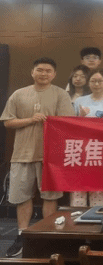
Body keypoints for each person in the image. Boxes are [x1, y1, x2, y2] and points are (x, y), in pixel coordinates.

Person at [1, 58, 74, 258]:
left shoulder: (61, 94)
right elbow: (8, 122)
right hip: (22, 154)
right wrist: (30, 120)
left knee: (50, 197)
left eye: (48, 71)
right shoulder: (19, 94)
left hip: (50, 156)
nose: (43, 74)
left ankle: (47, 235)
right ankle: (22, 235)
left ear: (54, 74)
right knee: (22, 197)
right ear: (32, 72)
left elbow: (67, 122)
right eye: (39, 70)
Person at [71, 69, 103, 208]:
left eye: (100, 81)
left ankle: (96, 216)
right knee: (78, 187)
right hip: (81, 149)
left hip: (102, 150)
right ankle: (76, 217)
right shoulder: (79, 101)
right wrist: (80, 117)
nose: (96, 84)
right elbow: (71, 126)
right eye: (93, 81)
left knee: (98, 188)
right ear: (88, 82)